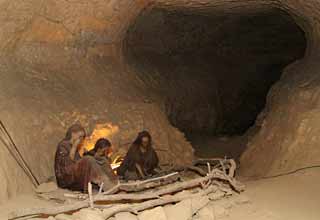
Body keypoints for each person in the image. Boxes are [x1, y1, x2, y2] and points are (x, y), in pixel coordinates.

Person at [54, 124, 117, 192]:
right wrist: (75, 146)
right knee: (88, 159)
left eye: (82, 137)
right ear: (73, 134)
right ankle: (108, 187)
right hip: (66, 179)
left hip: (73, 174)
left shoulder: (73, 147)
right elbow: (68, 164)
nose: (81, 139)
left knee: (102, 160)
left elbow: (78, 161)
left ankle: (114, 183)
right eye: (80, 136)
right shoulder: (63, 145)